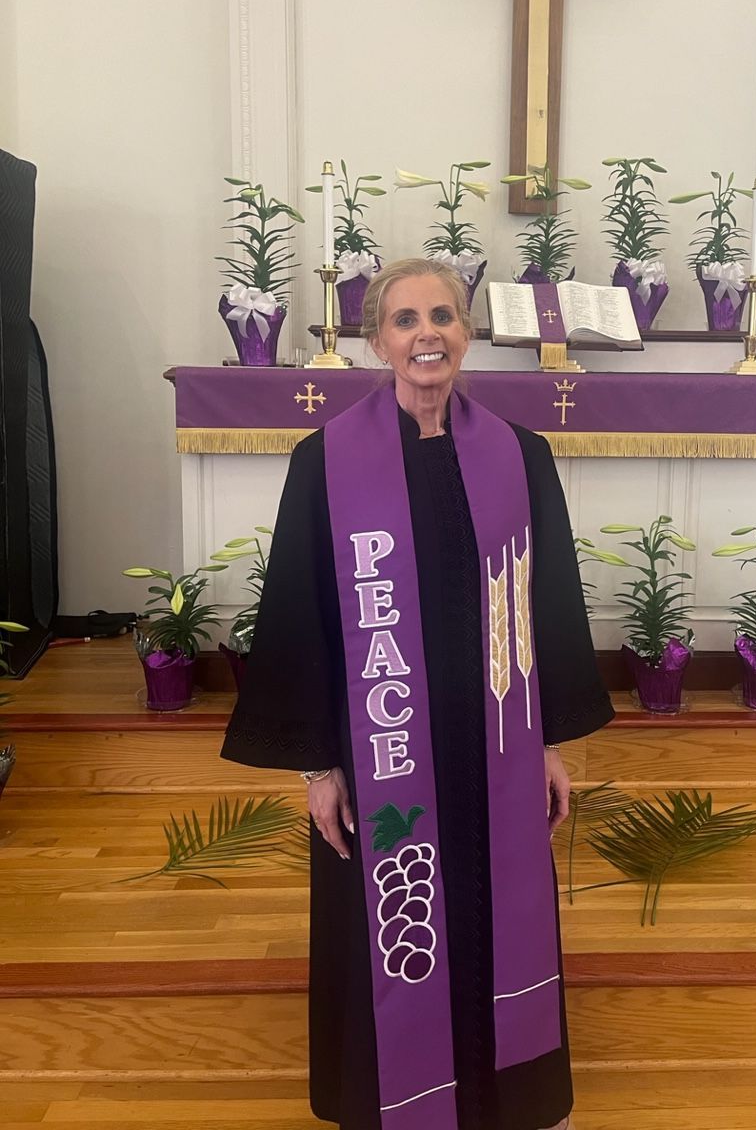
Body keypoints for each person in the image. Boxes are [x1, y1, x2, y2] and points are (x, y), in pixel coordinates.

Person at [221, 257, 614, 1130]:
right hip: (383, 749)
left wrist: (547, 741)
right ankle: (389, 1093)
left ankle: (505, 1094)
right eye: (405, 319)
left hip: (494, 751)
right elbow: (300, 615)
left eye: (443, 314)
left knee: (496, 906)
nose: (426, 333)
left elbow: (547, 606)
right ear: (377, 341)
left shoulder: (521, 458)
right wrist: (318, 764)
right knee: (389, 928)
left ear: (467, 332)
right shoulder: (325, 464)